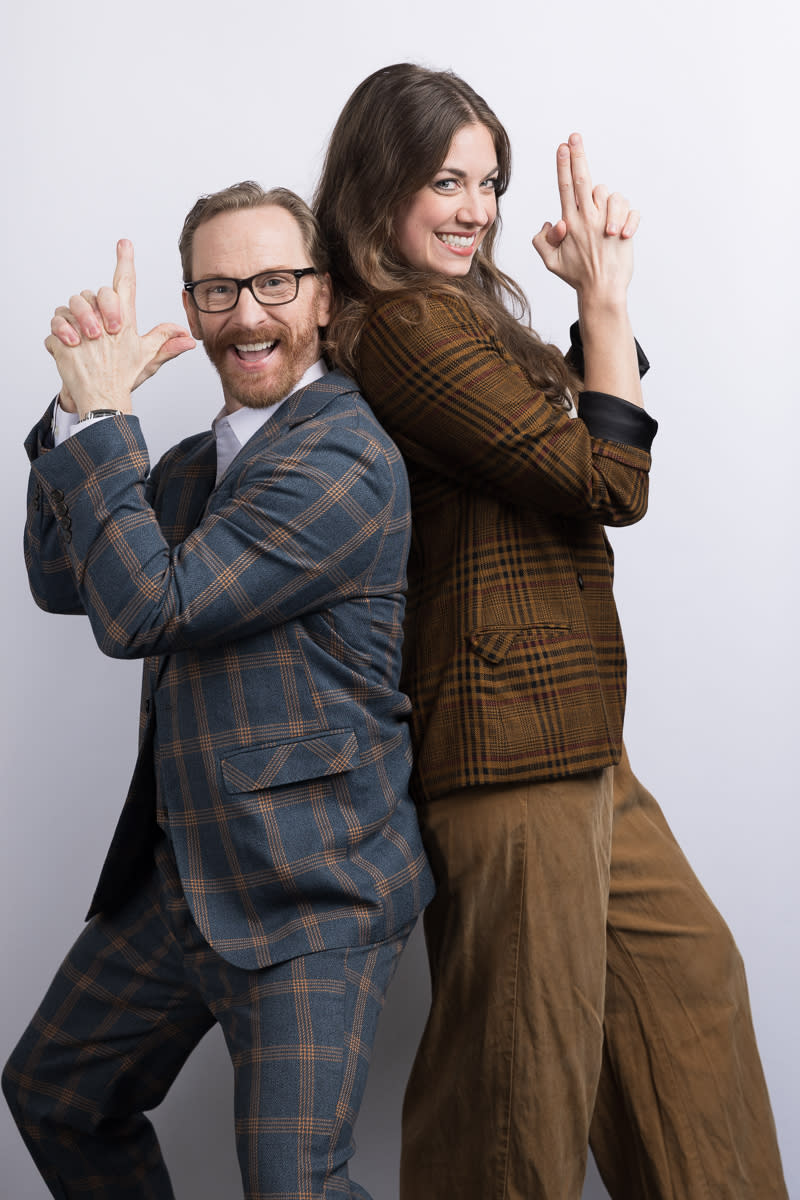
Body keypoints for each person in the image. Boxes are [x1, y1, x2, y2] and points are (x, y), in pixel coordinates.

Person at [313, 63, 788, 1200]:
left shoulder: (459, 317)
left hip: (574, 734)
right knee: (517, 1085)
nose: (474, 208)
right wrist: (608, 304)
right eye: (444, 179)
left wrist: (586, 313)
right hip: (505, 745)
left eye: (488, 181)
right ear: (377, 187)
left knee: (687, 994)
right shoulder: (401, 325)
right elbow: (602, 476)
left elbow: (552, 435)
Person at [2, 182, 434, 1200]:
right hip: (187, 875)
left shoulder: (343, 454)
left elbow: (150, 607)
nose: (246, 315)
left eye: (274, 282)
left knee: (293, 1187)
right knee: (57, 1091)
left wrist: (109, 416)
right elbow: (68, 579)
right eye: (217, 289)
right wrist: (75, 410)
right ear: (190, 307)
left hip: (310, 891)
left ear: (323, 296)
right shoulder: (196, 464)